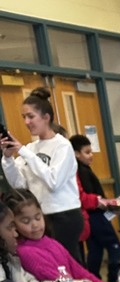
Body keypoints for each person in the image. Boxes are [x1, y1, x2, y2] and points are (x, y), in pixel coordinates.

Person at [0, 88, 82, 261]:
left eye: (31, 116)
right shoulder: (31, 148)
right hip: (41, 215)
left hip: (64, 214)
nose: (27, 122)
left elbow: (54, 182)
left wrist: (23, 151)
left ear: (46, 117)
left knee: (68, 263)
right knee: (50, 264)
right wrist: (8, 159)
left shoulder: (63, 146)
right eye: (24, 117)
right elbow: (19, 185)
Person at [6, 188, 118, 282]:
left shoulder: (51, 242)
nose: (35, 225)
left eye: (38, 217)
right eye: (26, 221)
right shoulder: (24, 252)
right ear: (13, 224)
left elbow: (78, 270)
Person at [0, 197, 102, 282]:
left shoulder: (12, 262)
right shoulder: (24, 253)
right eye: (10, 227)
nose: (15, 234)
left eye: (38, 217)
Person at [70, 133, 120, 282]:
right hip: (95, 216)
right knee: (114, 245)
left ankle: (94, 279)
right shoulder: (82, 171)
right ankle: (114, 277)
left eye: (91, 151)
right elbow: (90, 197)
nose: (91, 156)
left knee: (95, 250)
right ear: (76, 154)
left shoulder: (82, 169)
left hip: (89, 218)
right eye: (87, 152)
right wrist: (110, 203)